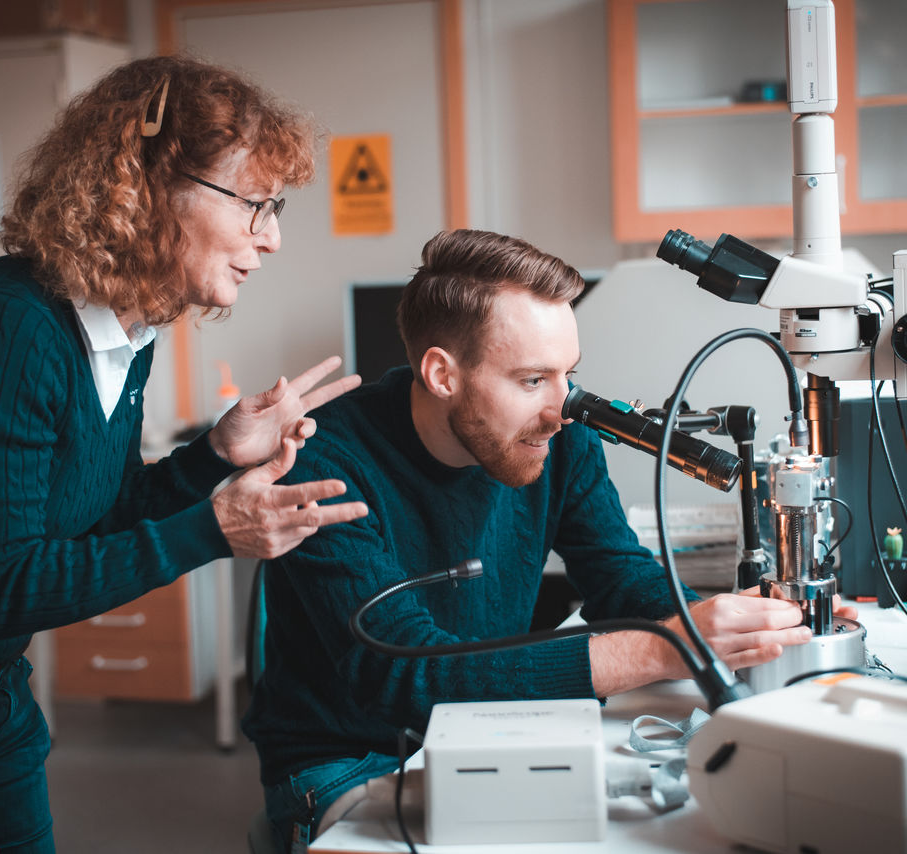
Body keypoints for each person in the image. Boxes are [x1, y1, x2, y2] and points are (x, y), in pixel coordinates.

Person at [0, 55, 367, 852]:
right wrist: (213, 531)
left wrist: (216, 453)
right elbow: (0, 585)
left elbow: (101, 516)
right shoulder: (4, 329)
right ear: (150, 185)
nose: (274, 236)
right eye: (254, 204)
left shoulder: (126, 332)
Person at [243, 228, 855, 849]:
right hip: (352, 759)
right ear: (442, 374)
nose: (562, 408)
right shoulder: (325, 463)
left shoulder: (557, 434)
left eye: (568, 374)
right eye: (532, 380)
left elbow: (620, 577)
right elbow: (407, 677)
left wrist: (740, 621)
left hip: (490, 726)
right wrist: (668, 647)